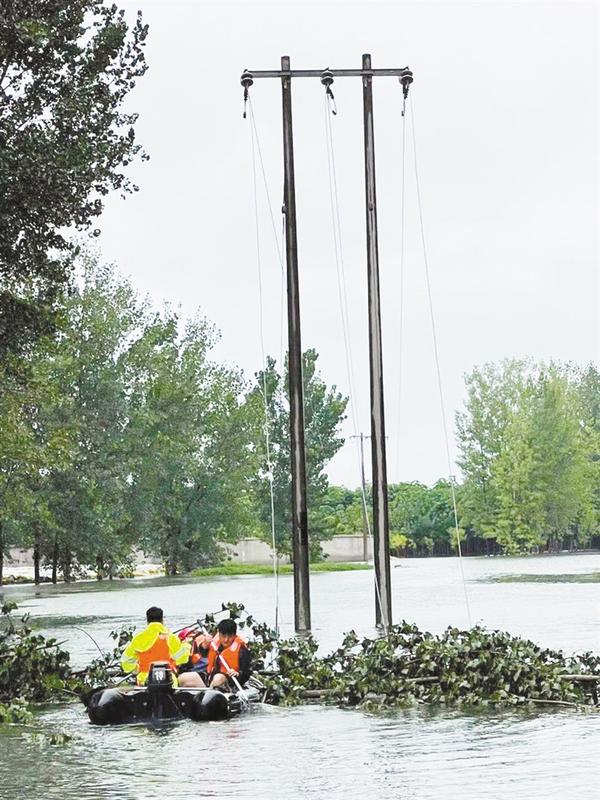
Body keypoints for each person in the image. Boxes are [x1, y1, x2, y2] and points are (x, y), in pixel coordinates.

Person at [120, 606, 205, 687]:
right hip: (168, 679)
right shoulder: (170, 637)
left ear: (147, 621)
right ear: (162, 620)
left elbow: (126, 662)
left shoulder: (138, 638)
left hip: (144, 680)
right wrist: (187, 645)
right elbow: (182, 659)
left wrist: (137, 669)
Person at [207, 618, 251, 691]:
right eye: (223, 636)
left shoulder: (242, 651)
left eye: (230, 636)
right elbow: (203, 653)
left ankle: (209, 693)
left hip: (229, 682)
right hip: (210, 678)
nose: (226, 640)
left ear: (234, 635)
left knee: (218, 678)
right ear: (219, 634)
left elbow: (247, 673)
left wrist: (238, 673)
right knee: (186, 678)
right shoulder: (213, 644)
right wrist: (205, 644)